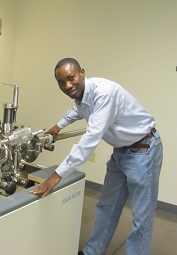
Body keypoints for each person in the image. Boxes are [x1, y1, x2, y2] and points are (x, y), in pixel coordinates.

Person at [30, 58, 163, 255]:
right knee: (106, 206)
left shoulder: (104, 93)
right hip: (121, 152)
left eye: (71, 78)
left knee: (142, 216)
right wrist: (58, 126)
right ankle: (93, 251)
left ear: (82, 72)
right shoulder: (83, 95)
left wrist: (58, 174)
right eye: (61, 83)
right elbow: (77, 110)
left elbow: (91, 138)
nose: (67, 86)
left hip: (144, 150)